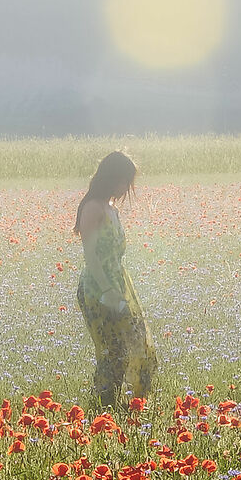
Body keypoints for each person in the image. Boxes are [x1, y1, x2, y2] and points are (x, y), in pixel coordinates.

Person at [74, 150, 157, 413]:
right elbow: (91, 256)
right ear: (113, 178)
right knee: (112, 352)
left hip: (119, 284)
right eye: (125, 182)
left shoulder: (112, 210)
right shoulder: (92, 209)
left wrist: (118, 290)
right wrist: (108, 291)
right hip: (98, 289)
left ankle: (127, 405)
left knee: (139, 346)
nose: (127, 188)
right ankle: (103, 408)